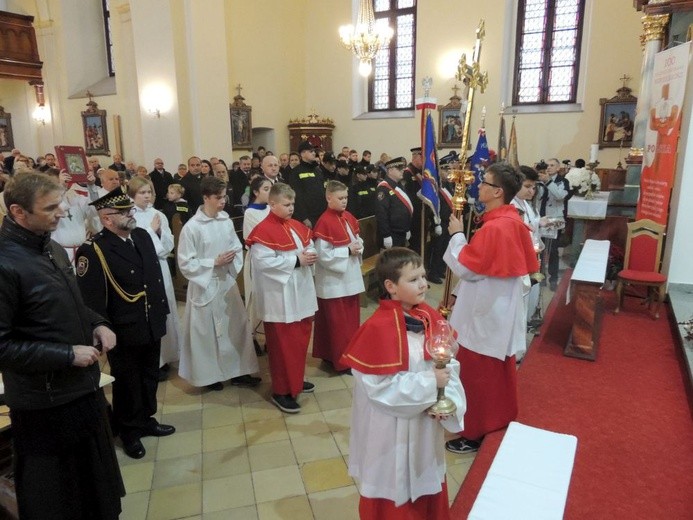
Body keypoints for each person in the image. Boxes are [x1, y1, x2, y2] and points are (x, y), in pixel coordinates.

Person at [0, 172, 124, 519]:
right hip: (43, 403)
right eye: (50, 207)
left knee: (95, 491)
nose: (62, 213)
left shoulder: (50, 246)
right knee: (59, 499)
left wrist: (97, 322)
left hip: (79, 390)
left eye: (61, 204)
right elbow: (2, 345)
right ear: (18, 212)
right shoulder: (5, 262)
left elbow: (67, 304)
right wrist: (66, 354)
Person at [340, 247, 466, 519]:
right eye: (413, 279)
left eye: (422, 276)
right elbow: (379, 390)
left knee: (427, 483)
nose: (423, 283)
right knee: (393, 495)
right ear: (391, 286)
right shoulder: (376, 329)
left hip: (424, 430)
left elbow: (449, 363)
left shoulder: (430, 317)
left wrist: (448, 399)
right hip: (390, 435)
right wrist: (430, 382)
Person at [443, 163, 538, 454]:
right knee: (497, 370)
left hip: (484, 312)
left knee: (478, 373)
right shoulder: (510, 221)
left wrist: (457, 235)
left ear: (497, 191)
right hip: (498, 307)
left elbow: (468, 268)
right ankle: (499, 417)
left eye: (484, 182)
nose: (478, 186)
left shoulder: (496, 228)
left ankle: (474, 431)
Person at [76, 187, 175, 460]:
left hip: (151, 319)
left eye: (129, 210)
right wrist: (101, 328)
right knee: (127, 381)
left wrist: (161, 313)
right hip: (124, 327)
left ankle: (146, 418)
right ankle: (129, 429)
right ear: (106, 219)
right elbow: (91, 298)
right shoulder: (94, 249)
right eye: (123, 212)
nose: (131, 215)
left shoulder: (141, 236)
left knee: (149, 375)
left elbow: (153, 278)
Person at [177, 176, 261, 391]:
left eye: (224, 197)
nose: (223, 201)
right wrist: (213, 262)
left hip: (226, 282)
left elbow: (235, 244)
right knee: (207, 334)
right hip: (205, 285)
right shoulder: (192, 227)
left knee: (236, 328)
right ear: (206, 197)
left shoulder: (225, 220)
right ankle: (210, 376)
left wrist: (232, 259)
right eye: (218, 197)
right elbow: (185, 263)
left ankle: (238, 372)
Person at [246, 183, 318, 413]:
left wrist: (310, 254)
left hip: (301, 295)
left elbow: (310, 245)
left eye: (293, 204)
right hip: (280, 299)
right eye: (286, 204)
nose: (291, 208)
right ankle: (281, 390)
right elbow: (263, 263)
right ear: (272, 204)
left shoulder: (296, 226)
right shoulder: (262, 231)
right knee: (282, 346)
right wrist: (297, 261)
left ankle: (295, 380)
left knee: (299, 341)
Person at [128, 177, 182, 379]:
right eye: (142, 192)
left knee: (164, 307)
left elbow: (168, 244)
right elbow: (135, 244)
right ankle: (152, 361)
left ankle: (166, 355)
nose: (147, 196)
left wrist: (159, 232)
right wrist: (151, 231)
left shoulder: (158, 214)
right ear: (133, 194)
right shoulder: (129, 214)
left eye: (149, 192)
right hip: (141, 268)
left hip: (160, 267)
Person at [312, 181, 365, 373]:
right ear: (328, 198)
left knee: (349, 323)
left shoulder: (348, 217)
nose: (344, 202)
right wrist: (347, 251)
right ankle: (340, 362)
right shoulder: (324, 221)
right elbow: (323, 255)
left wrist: (358, 247)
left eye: (346, 198)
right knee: (337, 325)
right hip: (334, 283)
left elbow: (357, 239)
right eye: (340, 198)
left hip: (350, 278)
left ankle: (342, 356)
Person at [242, 176, 272, 355]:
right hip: (257, 259)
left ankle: (269, 337)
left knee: (269, 300)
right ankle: (252, 337)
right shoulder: (250, 212)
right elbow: (255, 237)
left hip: (272, 258)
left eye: (271, 188)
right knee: (255, 299)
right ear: (255, 192)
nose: (270, 192)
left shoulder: (270, 208)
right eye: (266, 189)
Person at [538, 158, 570, 291]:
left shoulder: (563, 181)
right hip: (540, 218)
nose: (549, 168)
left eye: (552, 165)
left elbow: (560, 196)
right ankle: (540, 276)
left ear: (558, 168)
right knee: (539, 249)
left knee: (552, 251)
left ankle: (553, 279)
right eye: (547, 165)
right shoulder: (539, 180)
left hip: (554, 220)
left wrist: (548, 182)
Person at [375, 157, 413, 248]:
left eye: (403, 168)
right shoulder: (383, 188)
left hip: (401, 232)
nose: (402, 171)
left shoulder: (399, 185)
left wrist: (407, 228)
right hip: (391, 234)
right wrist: (386, 235)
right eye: (399, 169)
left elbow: (404, 209)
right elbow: (381, 213)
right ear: (390, 170)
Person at [289, 141, 326, 228]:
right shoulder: (296, 172)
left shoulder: (318, 170)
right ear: (302, 154)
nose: (314, 153)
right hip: (308, 217)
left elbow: (322, 191)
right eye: (311, 151)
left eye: (314, 151)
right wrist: (304, 217)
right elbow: (297, 196)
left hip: (322, 214)